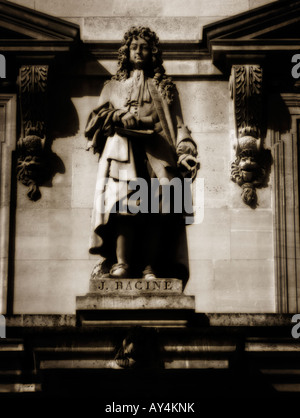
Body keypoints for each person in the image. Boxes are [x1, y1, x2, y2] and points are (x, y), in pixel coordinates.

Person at [85, 26, 199, 285]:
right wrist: (116, 115)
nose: (139, 51)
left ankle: (150, 266)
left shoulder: (165, 89)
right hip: (124, 152)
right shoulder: (112, 86)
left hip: (157, 154)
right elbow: (94, 120)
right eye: (134, 47)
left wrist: (185, 150)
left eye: (144, 47)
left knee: (158, 209)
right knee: (123, 206)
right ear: (126, 52)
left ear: (153, 53)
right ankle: (121, 262)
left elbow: (179, 126)